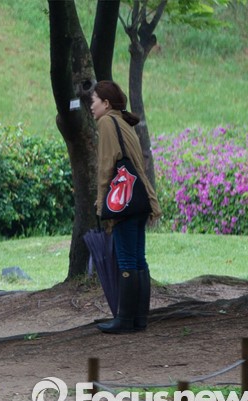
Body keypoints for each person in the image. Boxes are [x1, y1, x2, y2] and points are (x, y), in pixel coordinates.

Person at [90, 81, 161, 334]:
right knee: (138, 259)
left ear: (106, 103)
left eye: (93, 101)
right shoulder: (124, 123)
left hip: (124, 201)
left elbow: (106, 166)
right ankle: (139, 319)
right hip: (139, 199)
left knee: (127, 259)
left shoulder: (107, 122)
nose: (91, 106)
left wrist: (102, 203)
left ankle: (124, 319)